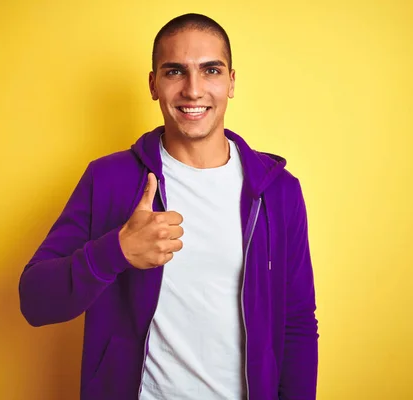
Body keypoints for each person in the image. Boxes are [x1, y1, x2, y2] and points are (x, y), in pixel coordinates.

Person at [19, 13, 318, 400]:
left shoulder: (278, 191)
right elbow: (35, 302)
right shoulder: (109, 179)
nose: (193, 90)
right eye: (175, 71)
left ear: (231, 82)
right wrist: (117, 251)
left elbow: (296, 322)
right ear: (153, 84)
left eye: (210, 70)